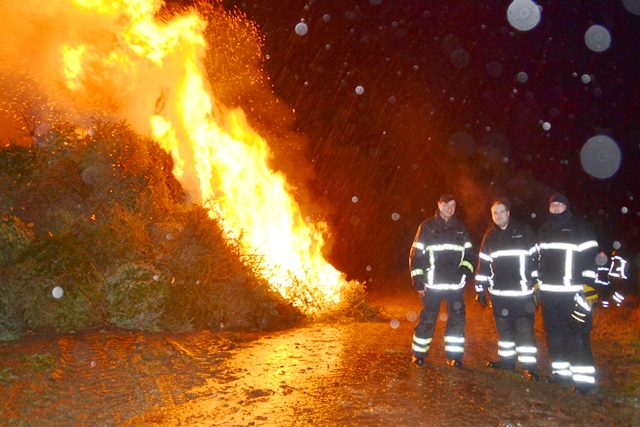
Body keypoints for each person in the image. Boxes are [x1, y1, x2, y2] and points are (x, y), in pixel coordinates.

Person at [534, 192, 600, 394]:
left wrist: (588, 287)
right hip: (549, 293)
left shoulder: (581, 227)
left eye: (560, 205)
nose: (555, 209)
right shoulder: (544, 229)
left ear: (567, 207)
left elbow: (591, 259)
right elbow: (537, 260)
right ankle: (560, 373)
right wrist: (537, 285)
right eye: (552, 205)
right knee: (554, 335)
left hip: (573, 293)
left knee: (577, 334)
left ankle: (584, 382)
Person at [474, 198, 539, 381]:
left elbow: (536, 260)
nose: (499, 216)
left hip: (522, 294)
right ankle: (507, 362)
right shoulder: (490, 237)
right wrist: (480, 290)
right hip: (499, 296)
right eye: (495, 213)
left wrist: (536, 285)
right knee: (504, 331)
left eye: (502, 212)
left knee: (524, 331)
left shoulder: (525, 232)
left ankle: (529, 368)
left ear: (509, 213)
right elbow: (483, 266)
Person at [409, 193, 476, 367]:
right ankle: (419, 355)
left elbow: (470, 255)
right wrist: (418, 281)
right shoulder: (427, 227)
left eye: (453, 205)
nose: (449, 208)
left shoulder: (461, 228)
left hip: (455, 286)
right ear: (439, 205)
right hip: (432, 284)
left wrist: (464, 271)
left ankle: (454, 357)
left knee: (457, 320)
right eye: (446, 204)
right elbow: (416, 256)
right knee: (427, 319)